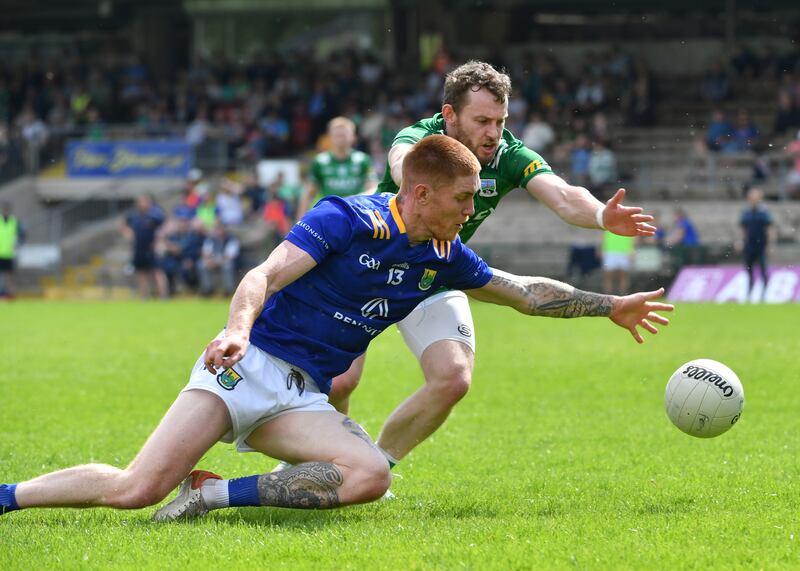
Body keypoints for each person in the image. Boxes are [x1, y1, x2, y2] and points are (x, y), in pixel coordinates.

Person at [0, 135, 672, 522]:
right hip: (243, 366)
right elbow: (262, 274)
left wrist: (607, 306)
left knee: (371, 473)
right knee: (134, 489)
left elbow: (523, 292)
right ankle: (8, 497)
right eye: (463, 200)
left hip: (301, 397)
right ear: (420, 194)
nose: (472, 212)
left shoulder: (442, 254)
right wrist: (237, 329)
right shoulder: (347, 218)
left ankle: (212, 493)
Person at [325, 60, 658, 476]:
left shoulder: (507, 155)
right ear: (450, 115)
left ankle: (377, 465)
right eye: (482, 120)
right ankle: (322, 459)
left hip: (436, 271)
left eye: (500, 120)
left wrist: (601, 217)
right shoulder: (420, 139)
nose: (493, 132)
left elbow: (562, 194)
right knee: (340, 382)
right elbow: (403, 164)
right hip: (369, 269)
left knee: (454, 378)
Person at [296, 116, 377, 218]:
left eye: (344, 135)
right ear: (330, 137)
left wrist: (354, 200)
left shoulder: (363, 160)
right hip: (328, 215)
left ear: (353, 137)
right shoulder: (320, 162)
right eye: (337, 135)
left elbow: (373, 189)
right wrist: (300, 219)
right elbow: (308, 193)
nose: (340, 139)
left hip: (356, 214)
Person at [121, 194, 169, 299]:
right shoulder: (133, 215)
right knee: (141, 273)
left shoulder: (155, 215)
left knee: (158, 272)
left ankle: (163, 297)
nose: (141, 204)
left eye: (143, 201)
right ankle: (144, 297)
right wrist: (128, 233)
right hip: (139, 248)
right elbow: (124, 225)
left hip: (152, 248)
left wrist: (160, 239)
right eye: (140, 202)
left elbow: (165, 225)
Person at [736, 187, 776, 300]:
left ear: (759, 198)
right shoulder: (746, 212)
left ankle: (765, 294)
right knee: (748, 270)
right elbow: (742, 228)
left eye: (755, 196)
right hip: (749, 246)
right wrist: (739, 241)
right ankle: (749, 293)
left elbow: (770, 229)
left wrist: (770, 245)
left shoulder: (764, 212)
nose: (753, 199)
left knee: (763, 270)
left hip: (761, 246)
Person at [198, 220, 240, 296]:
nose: (217, 231)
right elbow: (205, 252)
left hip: (225, 261)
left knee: (228, 266)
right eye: (216, 229)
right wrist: (209, 260)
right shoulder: (211, 239)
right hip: (213, 261)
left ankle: (228, 290)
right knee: (202, 265)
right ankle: (207, 289)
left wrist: (217, 261)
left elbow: (230, 256)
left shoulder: (231, 240)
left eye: (219, 229)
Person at [0, 202, 24, 299]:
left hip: (10, 253)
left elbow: (22, 235)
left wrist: (17, 244)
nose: (5, 211)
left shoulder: (15, 222)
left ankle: (11, 294)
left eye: (7, 210)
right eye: (4, 209)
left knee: (10, 275)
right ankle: (1, 293)